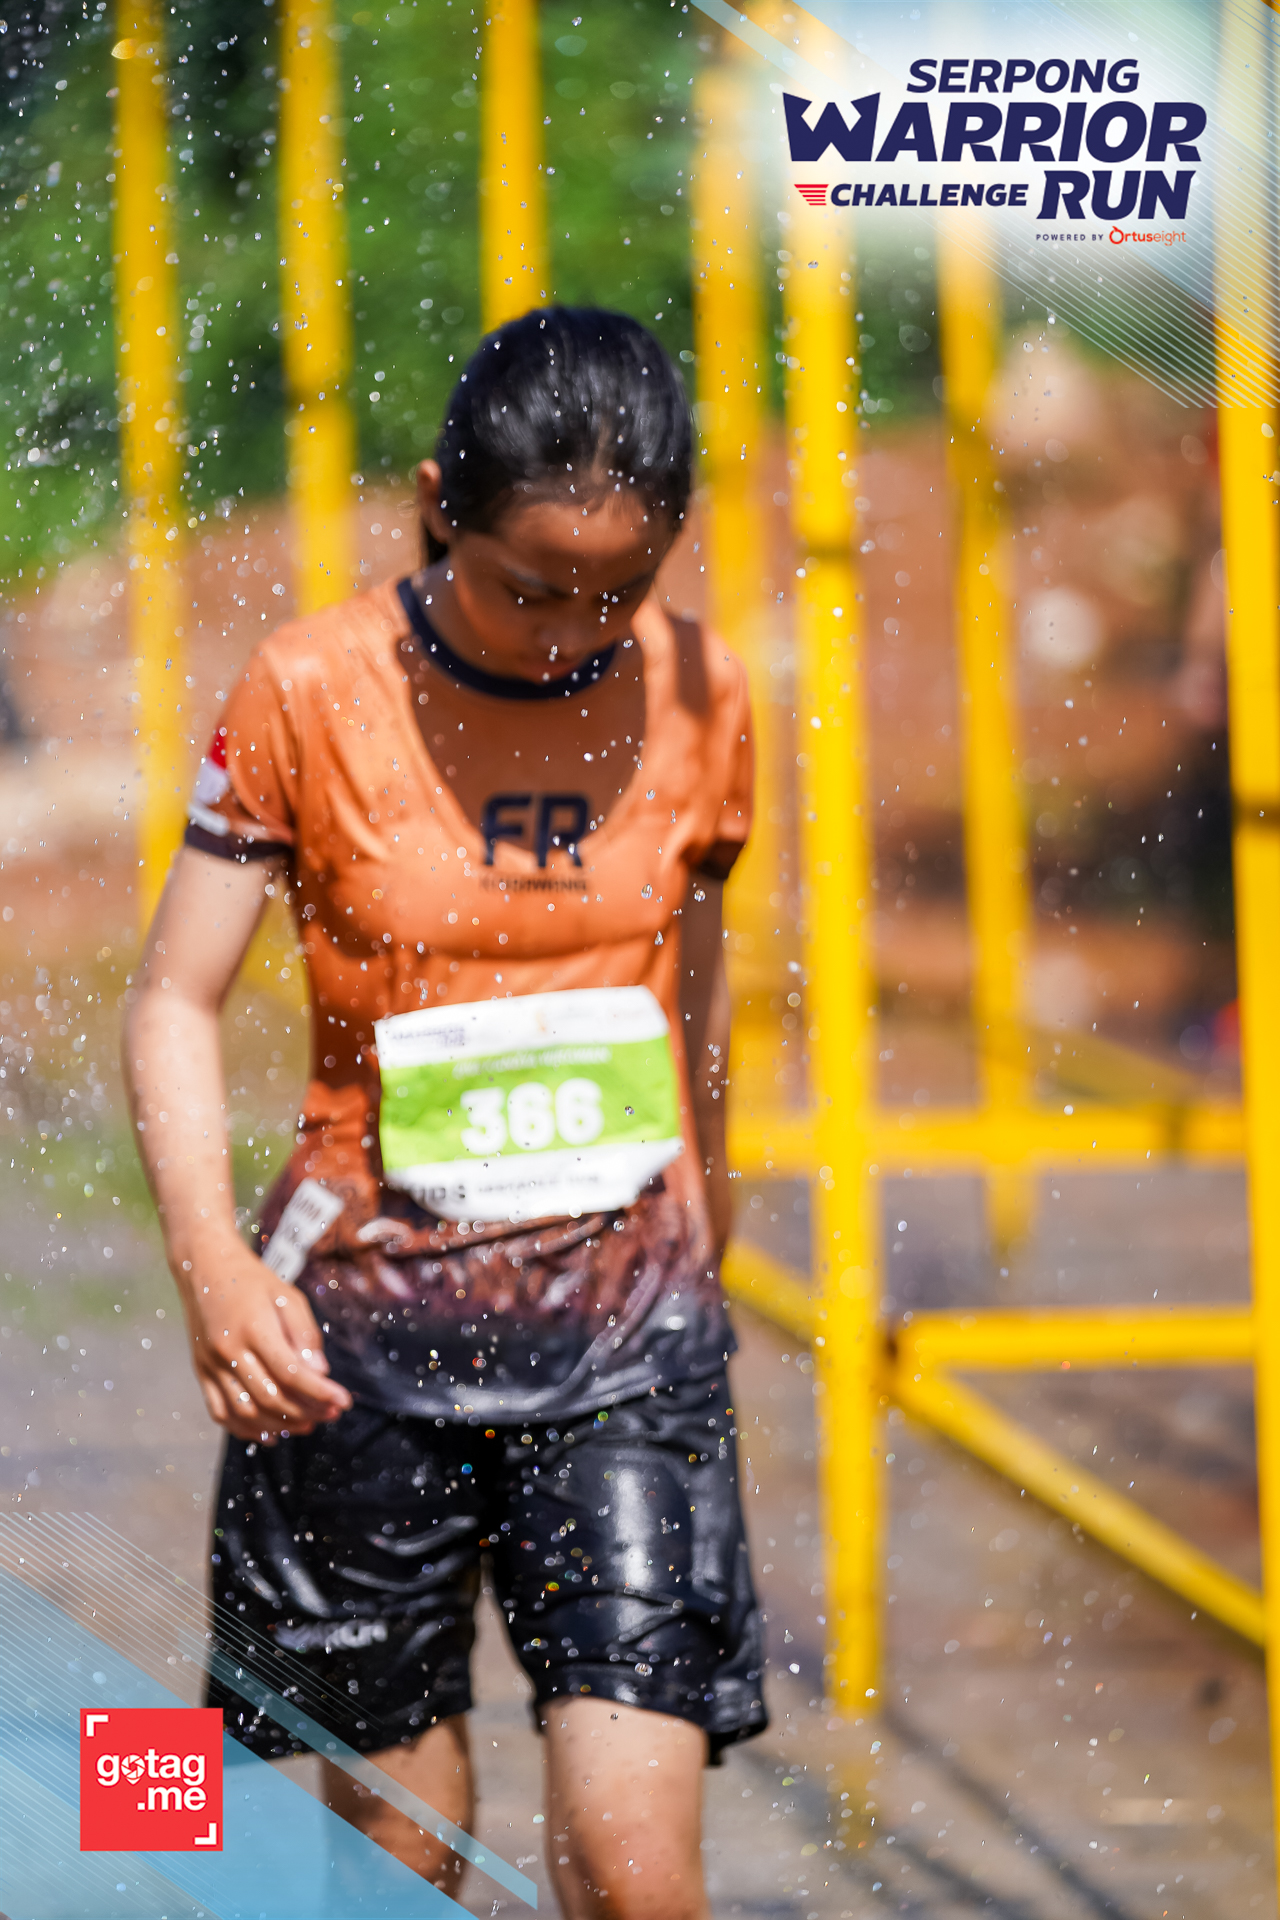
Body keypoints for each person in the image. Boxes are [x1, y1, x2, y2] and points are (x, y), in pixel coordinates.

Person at [124, 305, 765, 1916]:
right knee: (400, 1862)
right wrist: (212, 1267)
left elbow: (695, 979)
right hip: (361, 1339)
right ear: (435, 507)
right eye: (527, 588)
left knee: (635, 1870)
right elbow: (172, 1001)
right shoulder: (309, 687)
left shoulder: (704, 691)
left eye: (618, 590)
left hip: (624, 1327)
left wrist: (714, 1192)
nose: (569, 634)